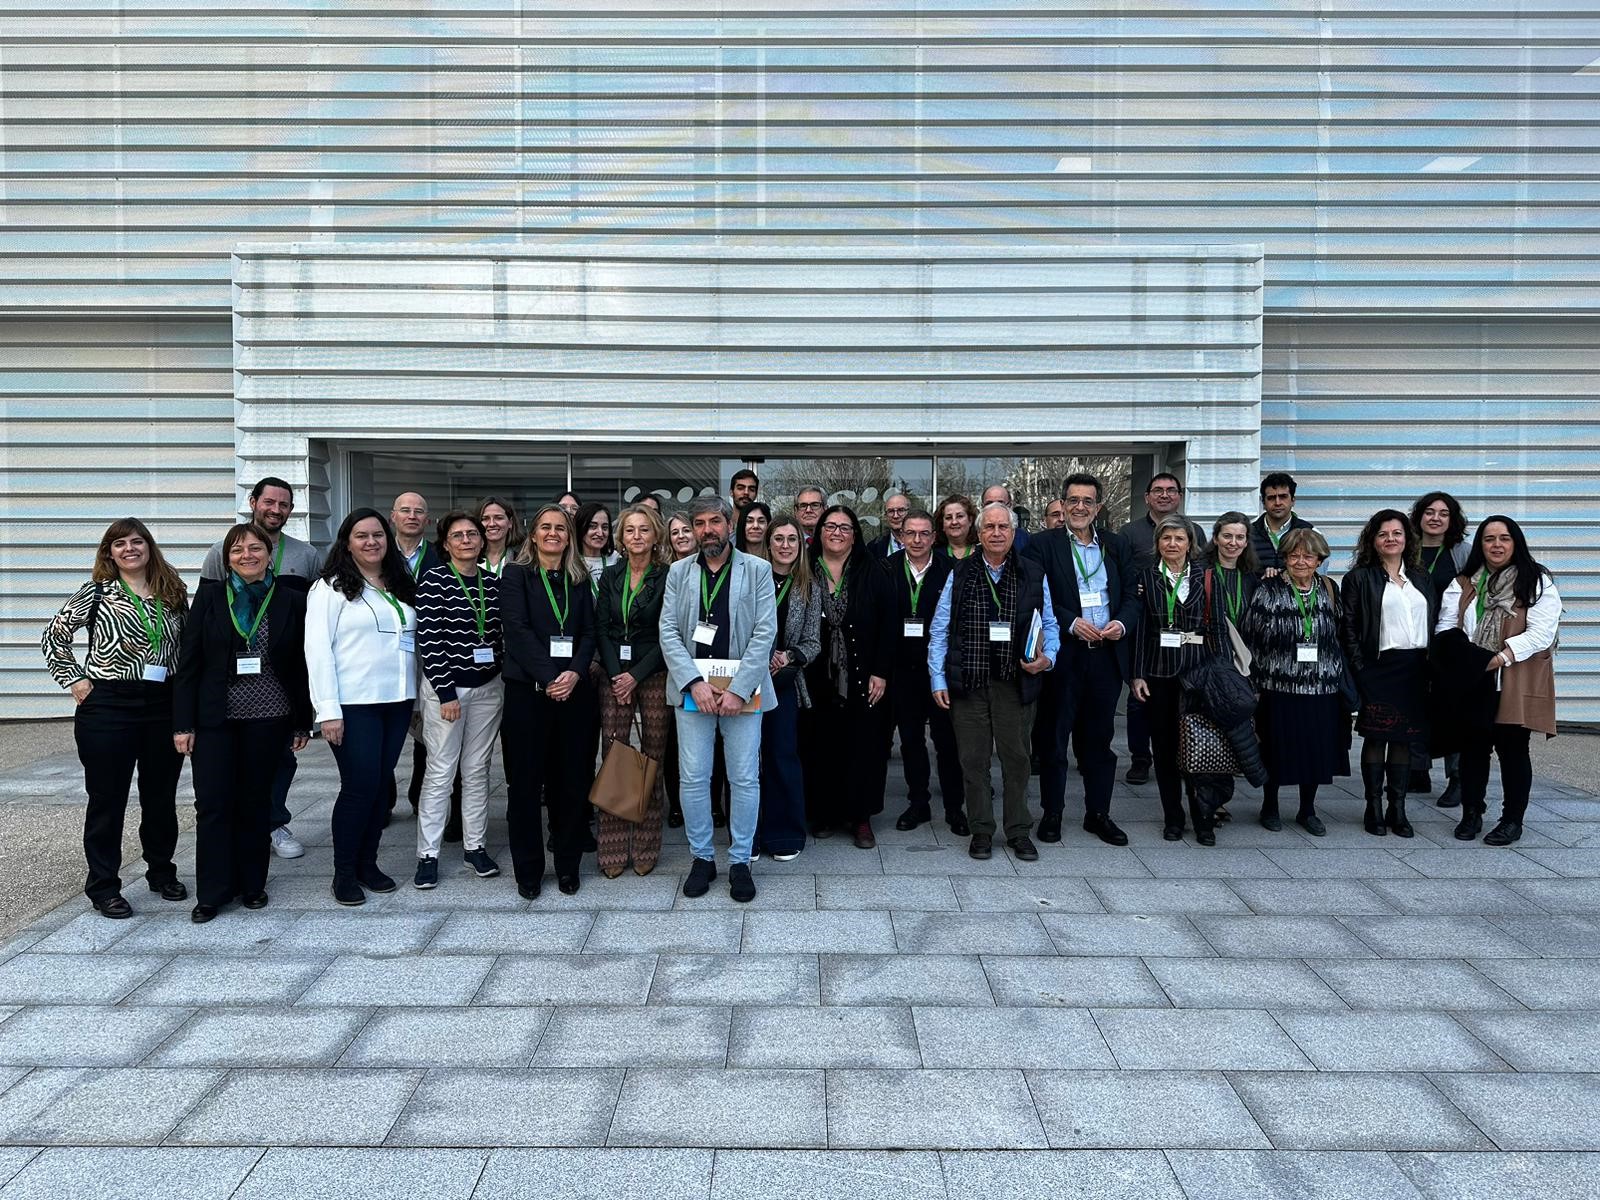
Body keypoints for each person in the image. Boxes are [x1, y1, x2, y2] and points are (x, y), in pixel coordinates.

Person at [41, 518, 190, 919]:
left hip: (161, 704)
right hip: (109, 705)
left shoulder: (171, 592)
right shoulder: (97, 592)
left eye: (137, 541)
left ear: (149, 546)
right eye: (119, 543)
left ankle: (161, 871)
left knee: (160, 797)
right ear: (109, 552)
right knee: (108, 800)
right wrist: (75, 679)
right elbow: (54, 634)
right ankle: (104, 886)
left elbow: (187, 650)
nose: (129, 549)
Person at [173, 522, 313, 922]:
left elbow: (301, 665)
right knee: (214, 805)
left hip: (270, 717)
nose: (247, 555)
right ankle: (213, 891)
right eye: (237, 550)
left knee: (255, 803)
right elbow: (189, 663)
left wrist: (302, 721)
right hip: (216, 717)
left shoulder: (290, 599)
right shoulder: (211, 597)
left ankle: (253, 884)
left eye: (255, 548)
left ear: (270, 554)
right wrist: (183, 724)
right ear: (226, 558)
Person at [659, 495, 777, 903]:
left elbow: (765, 633)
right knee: (693, 777)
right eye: (700, 523)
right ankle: (702, 858)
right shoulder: (677, 572)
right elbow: (668, 632)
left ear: (730, 524)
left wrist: (739, 690)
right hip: (695, 692)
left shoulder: (758, 569)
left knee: (744, 777)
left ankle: (741, 860)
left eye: (715, 521)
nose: (707, 529)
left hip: (742, 693)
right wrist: (693, 682)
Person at [199, 476, 320, 861]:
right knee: (234, 761)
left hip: (283, 678)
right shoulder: (224, 550)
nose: (276, 510)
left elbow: (316, 616)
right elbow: (205, 615)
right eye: (269, 502)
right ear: (252, 501)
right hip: (232, 682)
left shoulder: (306, 555)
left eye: (284, 504)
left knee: (282, 757)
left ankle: (273, 821)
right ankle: (243, 825)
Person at [930, 502, 1059, 861]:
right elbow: (940, 629)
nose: (997, 533)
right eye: (990, 527)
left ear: (1014, 533)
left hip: (1015, 682)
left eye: (1004, 527)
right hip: (969, 682)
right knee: (972, 760)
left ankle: (1018, 831)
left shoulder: (1033, 573)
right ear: (979, 532)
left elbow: (1049, 624)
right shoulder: (959, 572)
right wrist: (937, 678)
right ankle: (981, 830)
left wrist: (1048, 659)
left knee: (1017, 759)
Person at [305, 508, 418, 906]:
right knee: (358, 788)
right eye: (362, 536)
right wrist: (327, 710)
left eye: (378, 535)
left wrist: (416, 699)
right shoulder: (330, 588)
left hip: (397, 701)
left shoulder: (400, 584)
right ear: (347, 543)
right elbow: (317, 650)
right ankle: (344, 873)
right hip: (353, 705)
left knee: (378, 787)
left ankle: (368, 864)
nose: (372, 542)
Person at [1025, 474, 1139, 846]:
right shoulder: (1043, 545)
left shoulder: (1116, 545)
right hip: (1065, 655)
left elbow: (1133, 596)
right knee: (1054, 738)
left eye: (1087, 501)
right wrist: (1071, 622)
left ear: (1098, 508)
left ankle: (1098, 813)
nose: (1079, 507)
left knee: (1099, 740)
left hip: (1105, 656)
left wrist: (1121, 623)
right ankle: (1052, 813)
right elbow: (1034, 597)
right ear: (1062, 504)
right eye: (1072, 500)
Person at [1437, 516, 1562, 846]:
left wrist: (1499, 658)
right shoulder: (1464, 582)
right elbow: (1446, 627)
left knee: (1513, 750)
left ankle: (1511, 821)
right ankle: (1472, 813)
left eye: (1504, 538)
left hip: (1514, 676)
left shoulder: (1536, 581)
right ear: (1480, 544)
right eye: (1489, 538)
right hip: (1474, 679)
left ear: (1515, 542)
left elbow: (1541, 633)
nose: (1496, 545)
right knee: (1473, 749)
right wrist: (1470, 659)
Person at [501, 504, 599, 897]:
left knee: (571, 783)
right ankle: (528, 869)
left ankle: (568, 865)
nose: (553, 533)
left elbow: (590, 632)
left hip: (575, 695)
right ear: (533, 534)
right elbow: (517, 631)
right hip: (528, 695)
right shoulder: (515, 575)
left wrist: (573, 673)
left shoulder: (579, 578)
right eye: (546, 527)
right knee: (524, 785)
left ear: (569, 536)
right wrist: (548, 676)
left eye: (561, 528)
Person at [411, 511, 504, 890]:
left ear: (482, 541)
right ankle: (428, 854)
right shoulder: (433, 580)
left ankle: (475, 846)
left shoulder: (494, 584)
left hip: (488, 688)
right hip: (447, 691)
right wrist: (446, 693)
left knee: (478, 769)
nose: (466, 540)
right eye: (457, 535)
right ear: (446, 543)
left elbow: (498, 635)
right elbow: (430, 641)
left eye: (472, 534)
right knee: (441, 771)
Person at [1239, 528, 1351, 836]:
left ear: (1319, 560)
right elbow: (1251, 637)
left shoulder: (1329, 588)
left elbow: (1339, 634)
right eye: (1294, 555)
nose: (1300, 561)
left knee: (1315, 750)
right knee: (1276, 748)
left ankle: (1307, 809)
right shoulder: (1269, 589)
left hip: (1321, 685)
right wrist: (1255, 684)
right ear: (1285, 558)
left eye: (1308, 556)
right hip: (1278, 685)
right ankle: (1270, 805)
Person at [1129, 514, 1230, 844]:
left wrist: (1222, 673)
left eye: (1179, 538)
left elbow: (1218, 630)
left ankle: (1204, 817)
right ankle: (1173, 816)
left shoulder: (1208, 578)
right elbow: (1142, 631)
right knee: (1165, 748)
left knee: (1199, 748)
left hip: (1199, 674)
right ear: (1158, 543)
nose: (1172, 544)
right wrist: (1137, 675)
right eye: (1166, 538)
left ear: (1191, 543)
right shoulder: (1147, 578)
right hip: (1160, 675)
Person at [1340, 509, 1439, 839]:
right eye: (1383, 534)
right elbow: (1349, 629)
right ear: (1373, 540)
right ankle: (1374, 808)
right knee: (1377, 736)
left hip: (1414, 669)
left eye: (1397, 533)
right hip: (1377, 668)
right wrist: (1360, 670)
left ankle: (1398, 808)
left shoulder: (1421, 578)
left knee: (1404, 739)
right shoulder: (1359, 578)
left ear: (1407, 538)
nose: (1391, 539)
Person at [805, 504, 896, 849]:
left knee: (864, 746)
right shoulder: (806, 570)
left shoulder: (872, 570)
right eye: (831, 526)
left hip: (863, 674)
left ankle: (860, 818)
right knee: (821, 744)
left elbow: (890, 625)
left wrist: (882, 672)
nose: (837, 533)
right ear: (820, 532)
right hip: (816, 675)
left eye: (845, 528)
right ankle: (825, 812)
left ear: (855, 535)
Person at [594, 504, 672, 877]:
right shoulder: (610, 576)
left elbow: (669, 632)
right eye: (629, 531)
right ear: (620, 538)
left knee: (652, 755)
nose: (636, 537)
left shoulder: (668, 576)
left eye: (644, 530)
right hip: (614, 674)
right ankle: (612, 842)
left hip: (653, 672)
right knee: (615, 753)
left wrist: (636, 675)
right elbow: (602, 629)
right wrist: (616, 675)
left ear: (656, 536)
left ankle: (645, 842)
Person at [1118, 472, 1207, 786]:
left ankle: (1186, 757)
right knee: (1140, 703)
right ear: (1147, 497)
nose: (1165, 495)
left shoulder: (1195, 530)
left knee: (1185, 708)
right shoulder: (1128, 533)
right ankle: (1141, 759)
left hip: (1188, 645)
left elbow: (1200, 578)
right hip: (1150, 632)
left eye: (1171, 490)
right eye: (1158, 490)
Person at [885, 509, 967, 835]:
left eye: (924, 534)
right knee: (911, 740)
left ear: (935, 537)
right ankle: (918, 802)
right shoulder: (886, 569)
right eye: (911, 533)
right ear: (901, 536)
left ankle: (954, 807)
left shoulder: (953, 570)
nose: (917, 540)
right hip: (902, 670)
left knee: (947, 741)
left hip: (942, 671)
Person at [759, 514, 821, 860]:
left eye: (792, 539)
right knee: (748, 760)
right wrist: (762, 656)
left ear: (801, 545)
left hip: (785, 682)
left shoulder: (808, 584)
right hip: (749, 680)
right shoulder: (752, 578)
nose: (785, 545)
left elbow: (814, 640)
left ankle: (785, 832)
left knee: (783, 756)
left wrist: (789, 656)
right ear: (768, 544)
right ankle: (749, 833)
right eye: (779, 539)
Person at [1194, 512, 1261, 824]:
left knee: (1231, 732)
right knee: (1208, 732)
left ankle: (1219, 797)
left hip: (1241, 666)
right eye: (1227, 536)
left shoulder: (1254, 578)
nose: (1233, 543)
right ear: (1216, 537)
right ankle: (1206, 801)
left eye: (1240, 537)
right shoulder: (1199, 572)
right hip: (1207, 663)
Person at [1409, 490, 1472, 803]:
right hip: (1413, 641)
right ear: (1419, 516)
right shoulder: (1408, 549)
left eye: (1443, 513)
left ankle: (1457, 778)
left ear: (1452, 520)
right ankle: (1418, 772)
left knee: (1453, 709)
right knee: (1415, 706)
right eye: (1430, 512)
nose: (1435, 518)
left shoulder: (1462, 552)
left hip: (1449, 643)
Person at [660, 510, 698, 829]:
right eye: (675, 532)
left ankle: (709, 804)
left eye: (687, 529)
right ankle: (676, 803)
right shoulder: (665, 572)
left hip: (707, 668)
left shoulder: (712, 569)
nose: (682, 536)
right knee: (673, 743)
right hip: (670, 667)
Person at [1250, 472, 1315, 577]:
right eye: (1271, 498)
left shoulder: (1310, 532)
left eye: (1283, 496)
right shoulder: (1248, 534)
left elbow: (1319, 573)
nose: (1277, 503)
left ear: (1293, 500)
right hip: (1256, 592)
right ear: (1263, 503)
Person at [574, 501, 619, 592]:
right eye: (593, 526)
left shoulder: (616, 559)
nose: (600, 533)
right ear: (580, 528)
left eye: (605, 527)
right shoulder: (571, 561)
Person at [477, 495, 522, 578]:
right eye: (485, 518)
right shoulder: (470, 558)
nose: (492, 524)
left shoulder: (523, 560)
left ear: (510, 523)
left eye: (498, 518)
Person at [981, 484, 1030, 553]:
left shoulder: (1023, 538)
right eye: (989, 504)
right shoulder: (974, 538)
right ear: (982, 507)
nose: (995, 508)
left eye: (1001, 503)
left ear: (1010, 506)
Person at [935, 494, 978, 560]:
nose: (954, 522)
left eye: (959, 516)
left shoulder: (982, 554)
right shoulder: (933, 556)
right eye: (948, 518)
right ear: (942, 524)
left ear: (970, 520)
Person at [868, 493, 911, 558]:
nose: (895, 516)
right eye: (891, 511)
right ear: (886, 516)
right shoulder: (874, 547)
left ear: (909, 513)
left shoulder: (923, 543)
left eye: (901, 510)